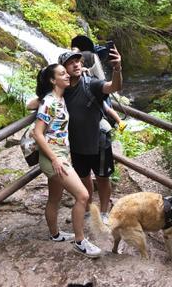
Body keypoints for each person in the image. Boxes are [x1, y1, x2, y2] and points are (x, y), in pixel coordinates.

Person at [32, 63, 102, 258]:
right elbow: (37, 133)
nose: (67, 76)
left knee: (54, 198)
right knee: (82, 195)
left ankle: (55, 235)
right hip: (53, 156)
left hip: (60, 153)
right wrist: (54, 158)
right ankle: (80, 242)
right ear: (53, 80)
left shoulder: (60, 98)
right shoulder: (49, 101)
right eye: (62, 74)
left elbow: (34, 104)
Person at [58, 46, 123, 224]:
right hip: (77, 144)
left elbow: (114, 86)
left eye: (77, 61)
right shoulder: (61, 90)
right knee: (84, 177)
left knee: (102, 178)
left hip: (99, 142)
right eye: (70, 63)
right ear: (63, 69)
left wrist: (117, 68)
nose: (76, 65)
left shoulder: (91, 84)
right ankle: (87, 208)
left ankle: (103, 212)